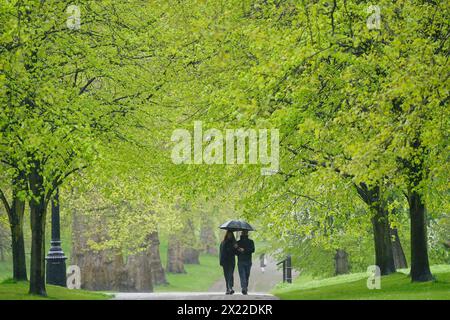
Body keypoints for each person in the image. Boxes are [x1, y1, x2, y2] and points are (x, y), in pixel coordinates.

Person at [236, 230, 255, 295]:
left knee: (247, 275)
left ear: (247, 233)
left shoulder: (250, 242)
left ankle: (245, 287)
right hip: (240, 261)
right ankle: (244, 288)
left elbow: (252, 250)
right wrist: (237, 249)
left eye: (245, 232)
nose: (244, 233)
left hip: (248, 261)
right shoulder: (238, 242)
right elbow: (236, 253)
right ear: (241, 233)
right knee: (242, 275)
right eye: (243, 232)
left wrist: (244, 250)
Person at [219, 230, 238, 295]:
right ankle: (228, 288)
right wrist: (221, 261)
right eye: (229, 234)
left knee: (230, 274)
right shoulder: (223, 243)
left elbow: (236, 253)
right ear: (226, 235)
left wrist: (236, 248)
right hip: (225, 261)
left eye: (231, 235)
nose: (229, 236)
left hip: (231, 261)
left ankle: (230, 287)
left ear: (232, 236)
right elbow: (221, 253)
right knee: (226, 275)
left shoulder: (234, 243)